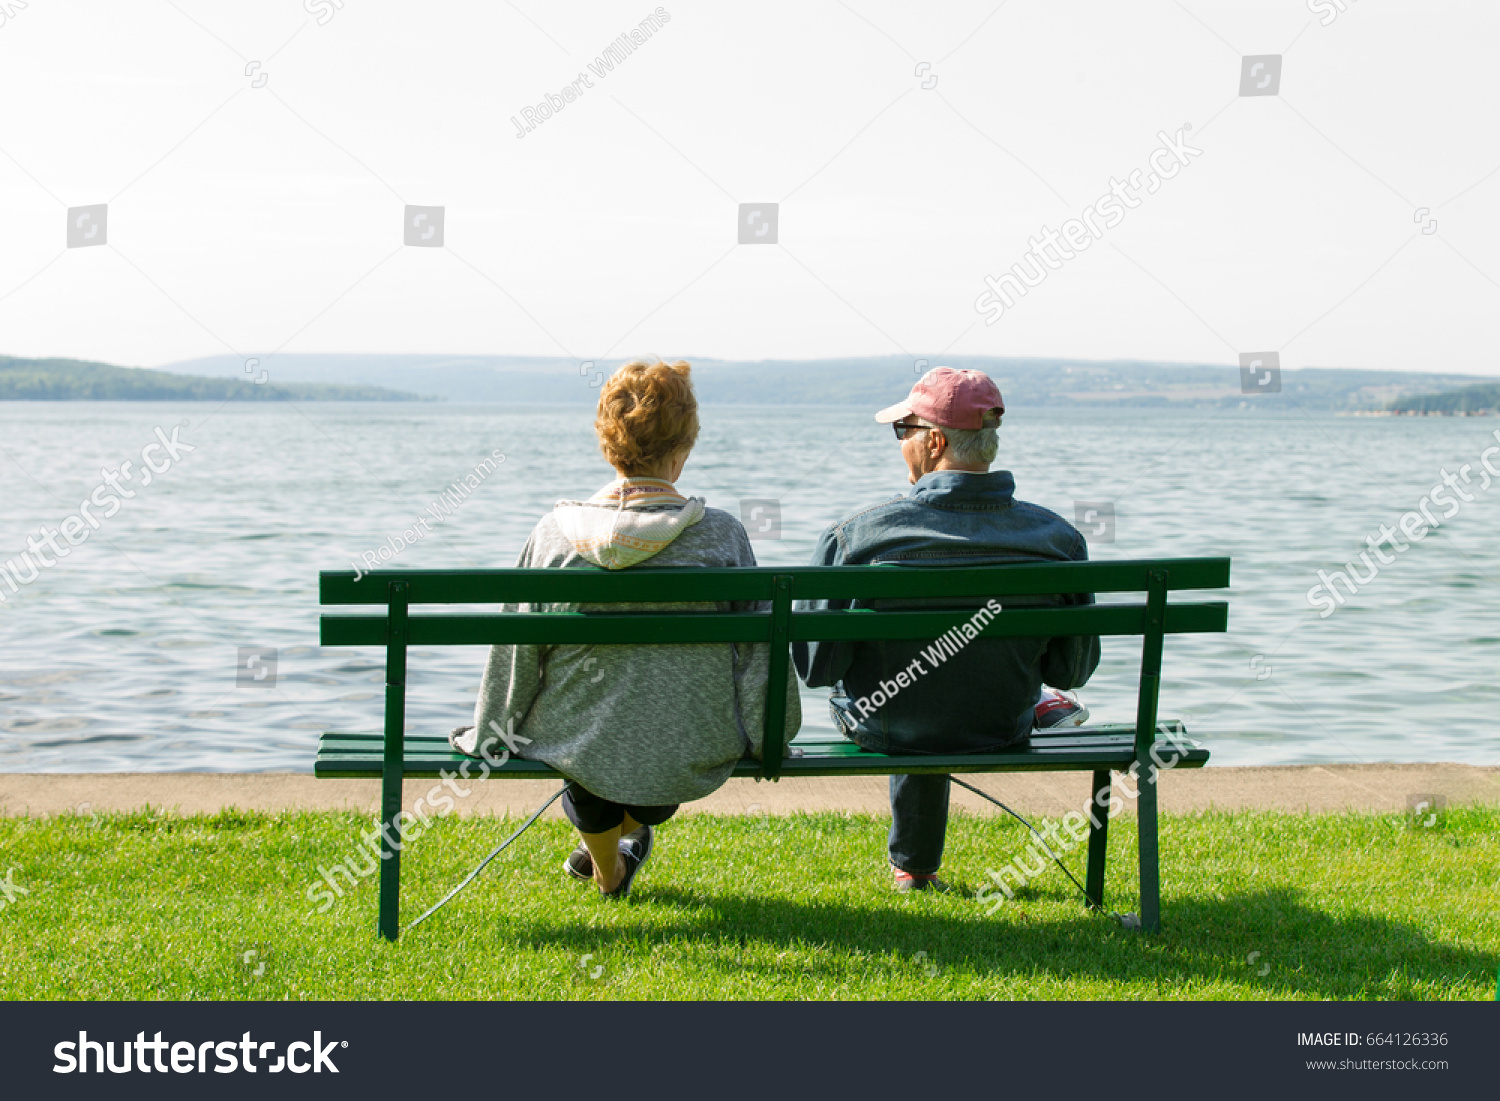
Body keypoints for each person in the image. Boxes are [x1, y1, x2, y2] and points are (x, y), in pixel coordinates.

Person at [451, 358, 799, 898]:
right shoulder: (723, 537)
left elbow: (517, 652)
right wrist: (770, 737)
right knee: (657, 739)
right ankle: (619, 856)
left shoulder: (553, 536)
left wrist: (492, 729)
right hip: (689, 742)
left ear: (606, 444)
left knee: (596, 736)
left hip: (574, 740)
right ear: (683, 451)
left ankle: (610, 864)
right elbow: (758, 655)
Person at [792, 366, 1100, 892]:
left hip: (889, 725)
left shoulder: (857, 537)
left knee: (904, 690)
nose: (901, 445)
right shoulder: (1057, 538)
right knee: (967, 680)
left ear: (934, 441)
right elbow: (1071, 669)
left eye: (903, 431)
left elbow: (818, 669)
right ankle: (917, 861)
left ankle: (914, 867)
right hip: (1003, 723)